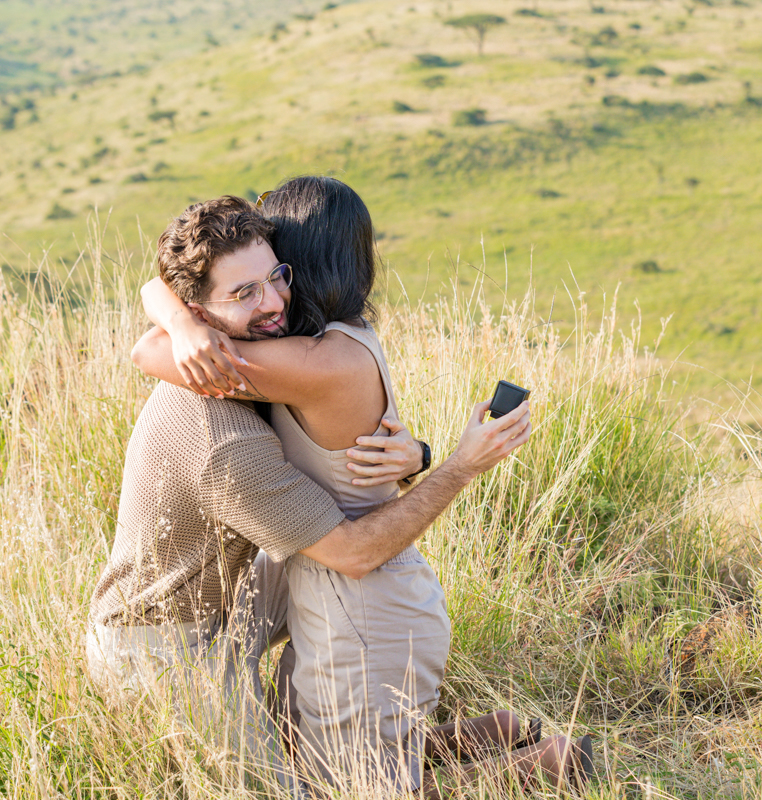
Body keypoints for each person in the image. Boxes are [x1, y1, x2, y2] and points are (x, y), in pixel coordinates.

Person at [130, 179, 592, 795]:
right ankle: (493, 732)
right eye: (250, 286)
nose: (271, 295)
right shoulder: (321, 344)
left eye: (277, 273)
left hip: (361, 597)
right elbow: (159, 297)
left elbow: (146, 352)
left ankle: (550, 764)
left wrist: (184, 328)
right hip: (341, 594)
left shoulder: (311, 363)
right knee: (310, 757)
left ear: (297, 257)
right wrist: (421, 454)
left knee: (345, 791)